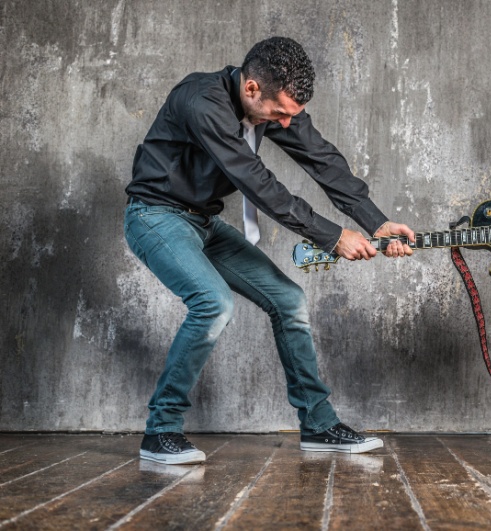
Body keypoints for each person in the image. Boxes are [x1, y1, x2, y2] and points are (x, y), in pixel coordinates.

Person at [124, 37, 414, 465]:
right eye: (279, 113)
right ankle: (161, 431)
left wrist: (376, 221)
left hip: (202, 223)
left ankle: (317, 424)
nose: (283, 124)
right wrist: (333, 236)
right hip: (155, 216)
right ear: (252, 89)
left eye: (290, 117)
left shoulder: (272, 106)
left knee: (289, 299)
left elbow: (322, 159)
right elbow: (256, 182)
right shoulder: (200, 101)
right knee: (213, 303)